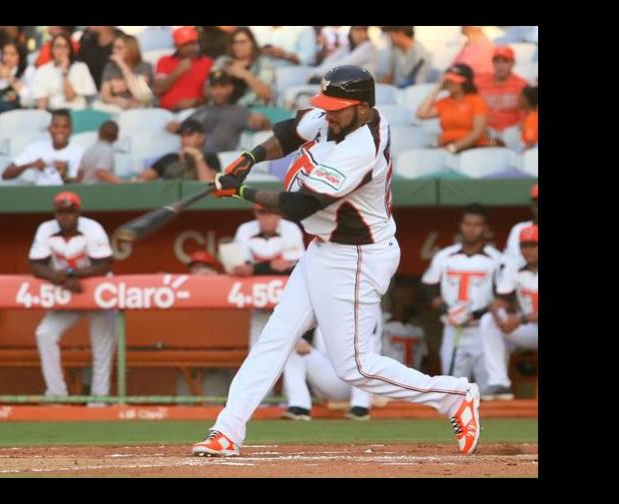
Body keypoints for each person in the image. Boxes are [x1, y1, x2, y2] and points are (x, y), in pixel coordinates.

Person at [195, 65, 482, 458]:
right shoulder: (337, 117)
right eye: (326, 105)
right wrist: (250, 156)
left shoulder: (361, 146)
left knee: (356, 367)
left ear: (363, 108)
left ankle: (454, 395)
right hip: (323, 248)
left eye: (337, 107)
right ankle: (227, 430)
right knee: (274, 338)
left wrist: (241, 190)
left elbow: (301, 205)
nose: (327, 113)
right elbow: (290, 130)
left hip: (357, 255)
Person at [28, 191, 116, 398]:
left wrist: (69, 274)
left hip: (96, 291)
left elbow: (104, 264)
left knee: (101, 346)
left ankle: (100, 399)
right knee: (45, 333)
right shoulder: (46, 228)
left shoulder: (92, 227)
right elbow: (35, 264)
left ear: (78, 212)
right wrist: (61, 278)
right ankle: (57, 394)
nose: (64, 217)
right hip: (68, 292)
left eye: (69, 212)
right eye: (60, 212)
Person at [421, 204, 502, 386]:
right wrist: (446, 309)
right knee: (453, 387)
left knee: (487, 387)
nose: (472, 229)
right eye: (468, 224)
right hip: (453, 328)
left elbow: (503, 297)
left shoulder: (496, 259)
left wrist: (479, 313)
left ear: (485, 229)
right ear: (461, 225)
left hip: (483, 330)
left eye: (477, 225)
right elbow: (428, 287)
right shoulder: (444, 256)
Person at [231, 204, 304, 349]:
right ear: (255, 213)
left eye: (271, 213)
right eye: (262, 212)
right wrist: (269, 266)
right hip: (259, 299)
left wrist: (255, 269)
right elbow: (239, 268)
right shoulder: (245, 229)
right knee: (256, 348)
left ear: (279, 214)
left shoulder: (291, 228)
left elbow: (288, 266)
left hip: (287, 300)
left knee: (294, 351)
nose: (267, 217)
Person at [479, 225, 538, 401]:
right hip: (530, 330)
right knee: (488, 321)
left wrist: (520, 318)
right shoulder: (515, 270)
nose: (528, 250)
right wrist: (499, 317)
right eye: (524, 246)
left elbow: (521, 317)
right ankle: (499, 384)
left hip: (526, 321)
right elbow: (499, 301)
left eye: (534, 245)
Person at [167, 70, 271, 154]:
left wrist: (263, 122)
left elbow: (267, 128)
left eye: (222, 87)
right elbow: (184, 129)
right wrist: (176, 128)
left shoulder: (239, 111)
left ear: (230, 88)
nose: (217, 91)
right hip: (195, 156)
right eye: (213, 87)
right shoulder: (202, 110)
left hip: (222, 159)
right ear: (208, 89)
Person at [416, 64, 492, 153]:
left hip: (471, 148)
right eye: (448, 80)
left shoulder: (477, 101)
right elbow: (421, 114)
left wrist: (453, 148)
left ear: (465, 83)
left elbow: (477, 133)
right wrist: (437, 88)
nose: (449, 83)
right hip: (446, 146)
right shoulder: (444, 102)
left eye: (453, 81)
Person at [2, 110, 84, 185]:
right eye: (56, 126)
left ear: (71, 130)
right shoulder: (36, 148)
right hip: (39, 194)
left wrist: (63, 174)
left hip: (66, 197)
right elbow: (6, 175)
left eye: (65, 127)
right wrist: (30, 165)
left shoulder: (80, 152)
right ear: (49, 128)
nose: (60, 130)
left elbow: (79, 186)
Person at [137, 119, 220, 182]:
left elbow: (208, 186)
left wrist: (198, 157)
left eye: (189, 135)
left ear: (201, 138)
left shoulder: (210, 158)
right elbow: (141, 180)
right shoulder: (170, 158)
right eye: (182, 136)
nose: (184, 140)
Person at [154, 26, 215, 112]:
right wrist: (177, 72)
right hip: (167, 112)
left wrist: (196, 102)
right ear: (176, 46)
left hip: (196, 112)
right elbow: (158, 89)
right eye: (185, 44)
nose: (191, 48)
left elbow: (214, 94)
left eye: (193, 43)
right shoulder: (165, 61)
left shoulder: (207, 62)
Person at [212, 27, 275, 107]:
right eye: (235, 42)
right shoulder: (222, 61)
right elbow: (207, 90)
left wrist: (246, 75)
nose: (238, 46)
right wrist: (221, 82)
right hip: (223, 109)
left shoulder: (263, 63)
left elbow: (268, 95)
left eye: (243, 42)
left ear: (252, 43)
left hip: (253, 110)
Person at [32, 33, 97, 111]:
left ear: (70, 49)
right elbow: (42, 102)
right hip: (54, 113)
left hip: (75, 112)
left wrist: (64, 72)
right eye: (58, 46)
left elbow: (70, 97)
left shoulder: (80, 67)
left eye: (65, 46)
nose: (62, 50)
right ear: (52, 49)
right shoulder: (43, 70)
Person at [94, 34, 154, 113]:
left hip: (141, 108)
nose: (115, 51)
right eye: (114, 47)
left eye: (120, 48)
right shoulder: (110, 67)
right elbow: (105, 95)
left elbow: (139, 92)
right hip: (117, 108)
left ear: (131, 50)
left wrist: (122, 64)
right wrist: (117, 101)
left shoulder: (144, 66)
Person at [477, 46, 529, 133]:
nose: (500, 65)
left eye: (505, 61)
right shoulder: (480, 83)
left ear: (512, 63)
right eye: (497, 61)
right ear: (492, 63)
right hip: (486, 129)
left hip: (513, 129)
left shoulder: (522, 85)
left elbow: (527, 112)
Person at [309, 26, 378, 81]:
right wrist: (316, 72)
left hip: (363, 88)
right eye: (358, 30)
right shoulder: (347, 47)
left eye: (364, 30)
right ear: (351, 32)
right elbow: (329, 60)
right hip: (347, 85)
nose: (361, 34)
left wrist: (316, 73)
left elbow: (345, 65)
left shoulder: (369, 47)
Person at [502, 184, 538, 280]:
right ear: (532, 206)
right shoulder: (519, 229)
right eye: (537, 203)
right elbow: (508, 261)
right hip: (521, 285)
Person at [251, 26, 317, 67]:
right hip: (259, 74)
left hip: (291, 75)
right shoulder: (254, 28)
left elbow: (309, 59)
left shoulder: (303, 28)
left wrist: (285, 55)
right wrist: (260, 51)